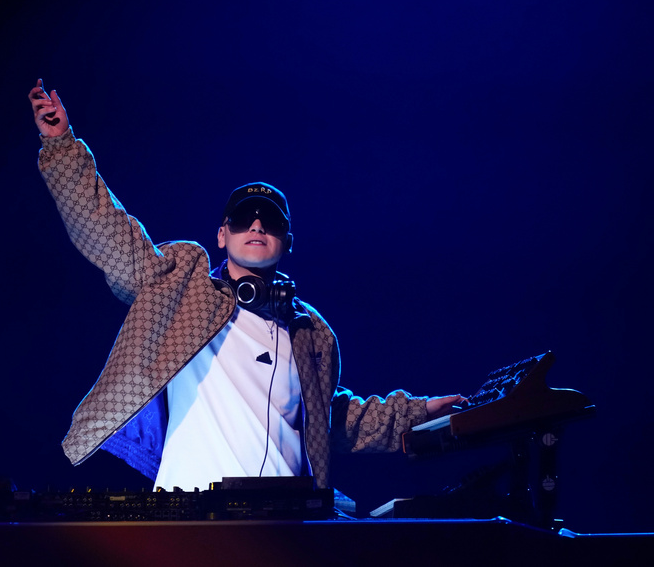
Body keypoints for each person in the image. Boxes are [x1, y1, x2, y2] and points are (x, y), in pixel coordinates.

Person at [30, 78, 464, 492]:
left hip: (288, 524)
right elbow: (109, 233)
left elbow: (330, 419)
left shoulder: (312, 333)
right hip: (193, 516)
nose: (256, 224)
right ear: (222, 235)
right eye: (243, 218)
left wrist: (418, 411)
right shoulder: (181, 290)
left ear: (287, 242)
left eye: (270, 220)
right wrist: (62, 147)